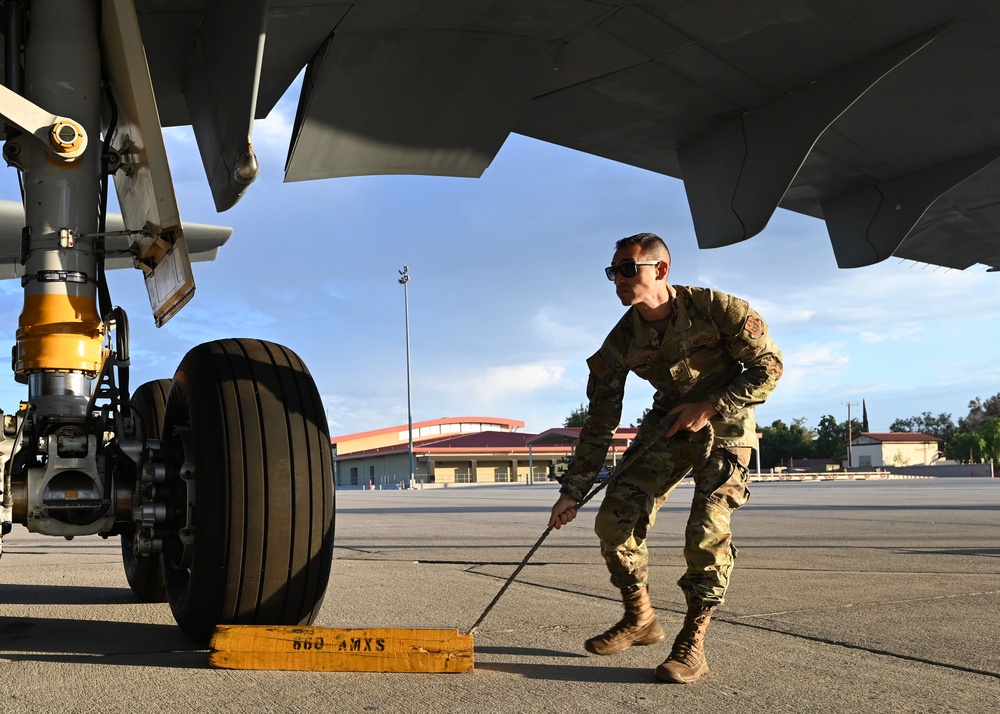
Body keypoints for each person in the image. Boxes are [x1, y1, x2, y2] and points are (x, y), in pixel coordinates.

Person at [548, 232, 782, 683]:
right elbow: (599, 423)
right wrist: (572, 491)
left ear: (660, 270)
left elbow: (769, 367)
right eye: (612, 271)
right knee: (614, 519)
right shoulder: (619, 343)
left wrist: (710, 405)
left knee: (707, 529)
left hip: (727, 423)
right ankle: (641, 618)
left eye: (626, 269)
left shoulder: (718, 308)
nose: (617, 279)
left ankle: (691, 643)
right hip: (669, 422)